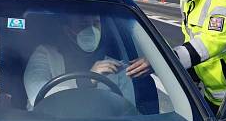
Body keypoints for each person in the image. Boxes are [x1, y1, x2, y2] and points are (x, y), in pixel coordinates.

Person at [23, 13, 151, 109]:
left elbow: (127, 112)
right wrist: (85, 81)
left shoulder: (115, 67)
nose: (92, 30)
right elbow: (37, 94)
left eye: (96, 24)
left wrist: (156, 64)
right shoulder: (45, 54)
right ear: (68, 31)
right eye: (83, 25)